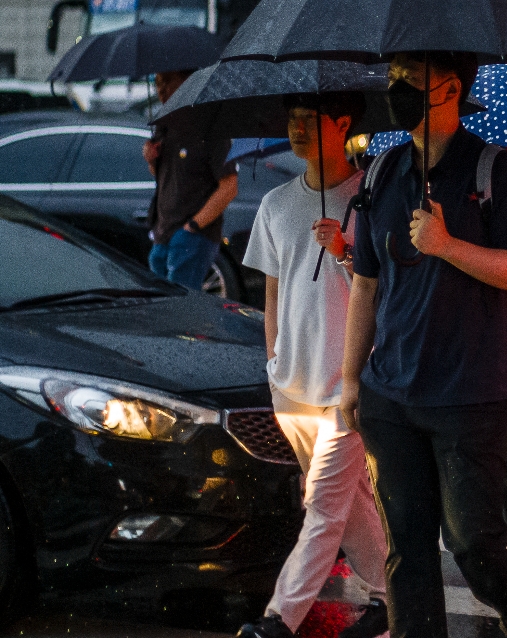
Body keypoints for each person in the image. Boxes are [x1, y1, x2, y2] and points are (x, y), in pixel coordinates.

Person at [341, 51, 507, 638]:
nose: (397, 91)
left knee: (473, 539)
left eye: (410, 81)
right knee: (406, 547)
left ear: (451, 88)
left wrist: (448, 244)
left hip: (471, 394)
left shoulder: (494, 171)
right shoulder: (383, 171)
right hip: (392, 394)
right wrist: (350, 381)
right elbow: (366, 283)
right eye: (394, 81)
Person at [236, 93, 387, 638]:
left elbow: (387, 289)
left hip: (349, 384)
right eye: (292, 121)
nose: (296, 130)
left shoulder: (369, 196)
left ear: (342, 122)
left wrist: (346, 251)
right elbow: (272, 295)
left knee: (322, 505)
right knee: (348, 503)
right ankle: (393, 597)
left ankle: (280, 620)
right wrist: (274, 361)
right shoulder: (276, 203)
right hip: (292, 384)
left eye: (309, 120)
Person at [142, 70, 237, 290]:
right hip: (162, 231)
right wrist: (151, 159)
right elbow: (166, 177)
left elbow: (229, 186)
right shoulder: (164, 123)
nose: (160, 89)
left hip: (192, 235)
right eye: (157, 82)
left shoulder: (210, 127)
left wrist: (192, 227)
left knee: (182, 307)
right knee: (162, 305)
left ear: (187, 81)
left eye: (167, 80)